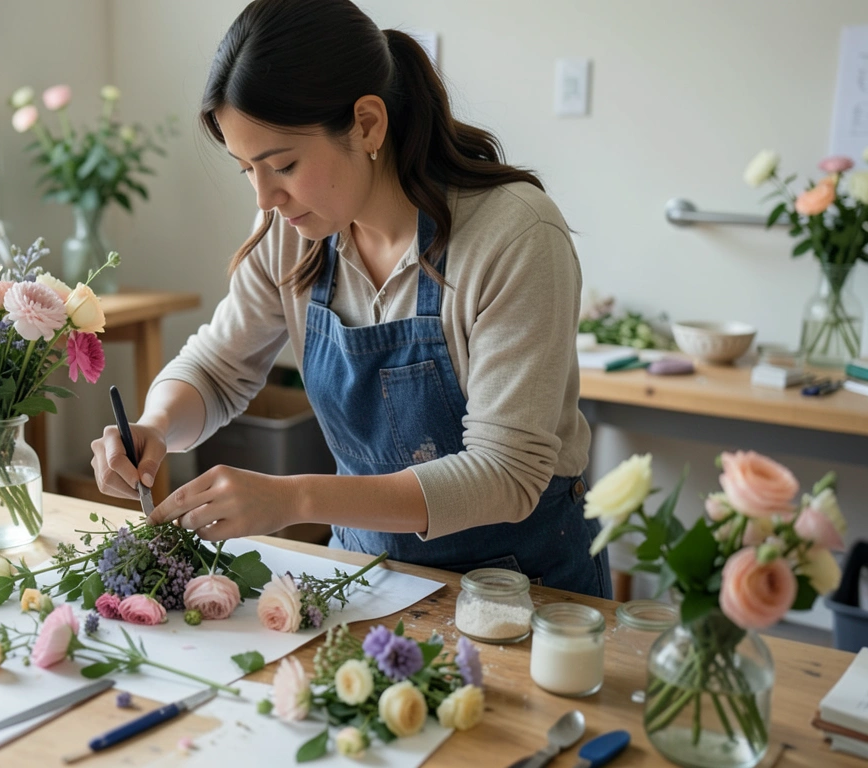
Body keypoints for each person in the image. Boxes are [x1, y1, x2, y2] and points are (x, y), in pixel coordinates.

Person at [90, 0, 609, 597]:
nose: (265, 198)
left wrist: (292, 498)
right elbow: (215, 369)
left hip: (518, 591)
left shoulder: (513, 236)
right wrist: (155, 425)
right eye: (246, 171)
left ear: (367, 124)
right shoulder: (296, 236)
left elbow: (505, 474)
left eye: (282, 164)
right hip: (364, 582)